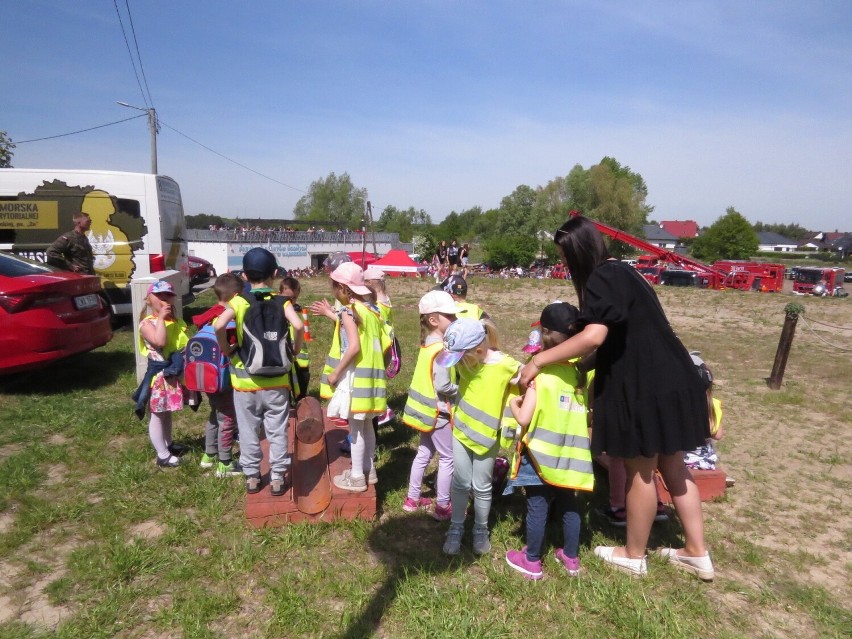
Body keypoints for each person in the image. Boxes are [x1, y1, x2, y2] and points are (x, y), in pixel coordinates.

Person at [519, 216, 714, 580]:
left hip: (646, 384)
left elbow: (594, 335)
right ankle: (696, 551)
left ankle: (632, 553)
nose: (564, 264)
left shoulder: (601, 278)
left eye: (564, 256)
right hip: (674, 376)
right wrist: (581, 367)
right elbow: (616, 338)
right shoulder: (625, 273)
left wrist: (539, 360)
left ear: (577, 251)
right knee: (673, 463)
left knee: (642, 468)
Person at [505, 302, 595, 579]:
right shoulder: (580, 374)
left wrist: (512, 403)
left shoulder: (539, 376)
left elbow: (523, 419)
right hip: (572, 455)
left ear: (544, 333)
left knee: (537, 505)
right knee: (569, 503)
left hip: (539, 454)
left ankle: (531, 560)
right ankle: (570, 557)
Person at [215, 248, 304, 496]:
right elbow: (298, 325)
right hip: (277, 381)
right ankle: (277, 477)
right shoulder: (282, 301)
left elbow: (219, 324)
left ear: (244, 276)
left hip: (246, 381)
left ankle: (253, 476)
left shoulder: (240, 301)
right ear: (275, 274)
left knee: (248, 429)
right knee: (277, 430)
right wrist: (294, 351)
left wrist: (228, 350)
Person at [437, 318, 521, 555]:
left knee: (482, 486)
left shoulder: (504, 365)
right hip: (462, 430)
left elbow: (525, 378)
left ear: (478, 350)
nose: (458, 363)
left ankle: (480, 530)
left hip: (487, 437)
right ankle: (456, 528)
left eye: (461, 356)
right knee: (461, 483)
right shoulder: (465, 360)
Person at [311, 262, 388, 492]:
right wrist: (330, 315)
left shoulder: (348, 311)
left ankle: (356, 477)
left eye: (334, 287)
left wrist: (335, 373)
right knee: (367, 428)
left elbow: (353, 346)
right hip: (373, 379)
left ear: (343, 288)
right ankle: (368, 470)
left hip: (355, 379)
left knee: (355, 430)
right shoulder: (371, 311)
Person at [401, 291, 461, 521]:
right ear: (434, 320)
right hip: (439, 413)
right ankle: (443, 505)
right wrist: (462, 390)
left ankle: (412, 498)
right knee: (448, 458)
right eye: (451, 317)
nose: (455, 320)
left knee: (424, 453)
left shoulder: (428, 344)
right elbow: (444, 385)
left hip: (426, 412)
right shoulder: (443, 350)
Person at [133, 280, 189, 467]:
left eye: (168, 295)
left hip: (170, 374)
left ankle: (168, 443)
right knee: (157, 414)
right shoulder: (146, 324)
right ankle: (162, 455)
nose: (164, 299)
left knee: (167, 413)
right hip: (158, 377)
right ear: (148, 300)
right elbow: (160, 341)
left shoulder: (175, 322)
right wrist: (160, 320)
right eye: (159, 296)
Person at [193, 273, 244, 477]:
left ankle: (209, 454)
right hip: (223, 378)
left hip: (205, 376)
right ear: (236, 295)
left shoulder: (207, 315)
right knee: (228, 418)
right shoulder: (229, 318)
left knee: (215, 415)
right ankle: (225, 462)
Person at [363, 266, 396, 425]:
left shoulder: (378, 305)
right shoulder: (385, 298)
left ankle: (383, 410)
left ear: (369, 283)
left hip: (379, 347)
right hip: (387, 345)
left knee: (374, 380)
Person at [280, 276, 310, 401]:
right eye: (287, 298)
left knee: (303, 381)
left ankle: (302, 401)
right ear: (279, 293)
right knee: (286, 384)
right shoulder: (278, 309)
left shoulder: (297, 310)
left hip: (300, 358)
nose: (291, 301)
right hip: (284, 355)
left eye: (294, 298)